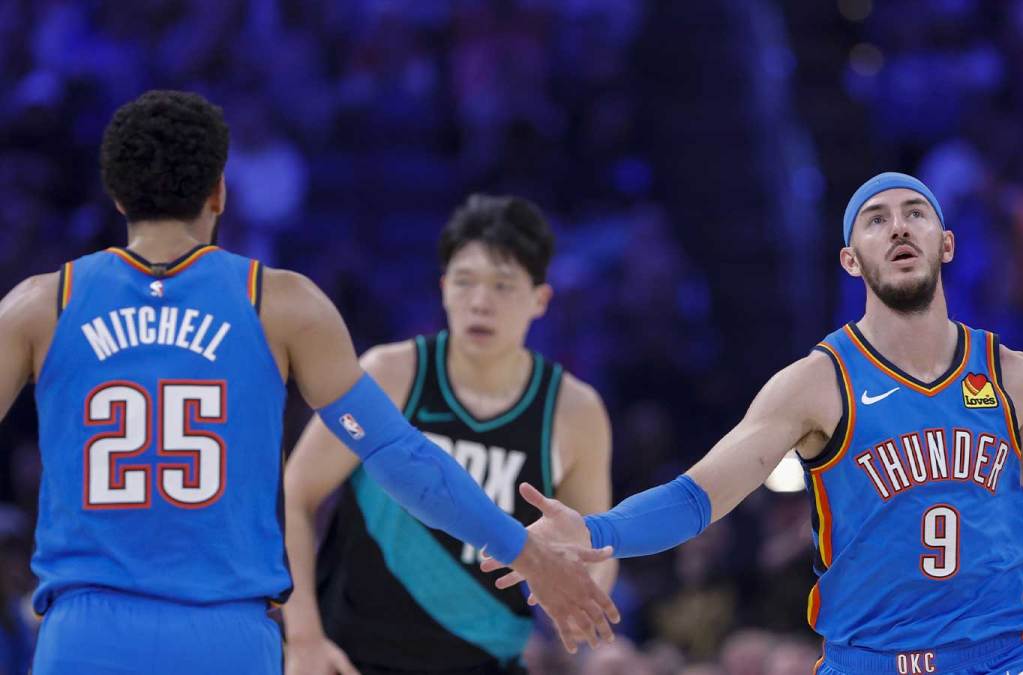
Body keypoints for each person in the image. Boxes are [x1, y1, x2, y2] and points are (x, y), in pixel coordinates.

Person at [0, 90, 617, 675]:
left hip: (86, 632)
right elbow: (399, 457)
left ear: (116, 196)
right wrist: (524, 550)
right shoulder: (282, 305)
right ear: (219, 192)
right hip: (227, 635)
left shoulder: (40, 305)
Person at [484, 172, 1023, 674]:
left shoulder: (1011, 375)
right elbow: (699, 496)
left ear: (945, 242)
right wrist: (594, 530)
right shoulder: (815, 384)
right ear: (852, 259)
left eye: (914, 212)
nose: (899, 226)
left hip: (1000, 658)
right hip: (870, 661)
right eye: (875, 219)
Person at [282, 194, 617, 675]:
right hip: (354, 656)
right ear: (443, 288)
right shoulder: (391, 374)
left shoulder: (574, 411)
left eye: (503, 286)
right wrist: (304, 638)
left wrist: (583, 595)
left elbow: (595, 548)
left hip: (486, 661)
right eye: (465, 282)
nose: (480, 302)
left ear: (540, 299)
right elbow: (294, 494)